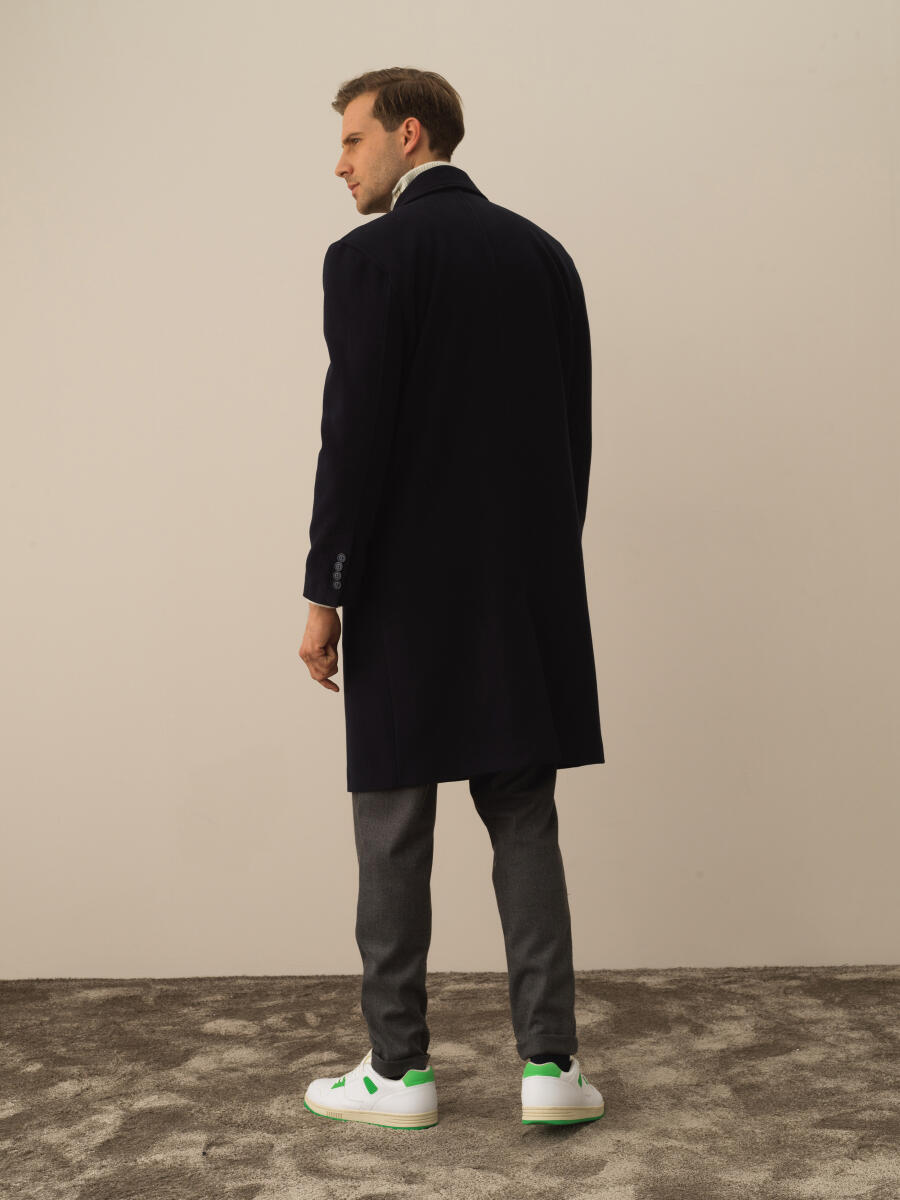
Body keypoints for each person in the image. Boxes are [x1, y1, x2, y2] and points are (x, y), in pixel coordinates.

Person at [297, 67, 605, 1130]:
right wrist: (541, 566)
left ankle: (399, 1072)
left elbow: (353, 440)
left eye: (353, 140)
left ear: (410, 134)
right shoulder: (542, 255)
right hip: (522, 592)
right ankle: (552, 1068)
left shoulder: (370, 257)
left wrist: (326, 591)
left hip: (404, 594)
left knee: (393, 822)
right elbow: (572, 436)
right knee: (524, 817)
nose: (340, 163)